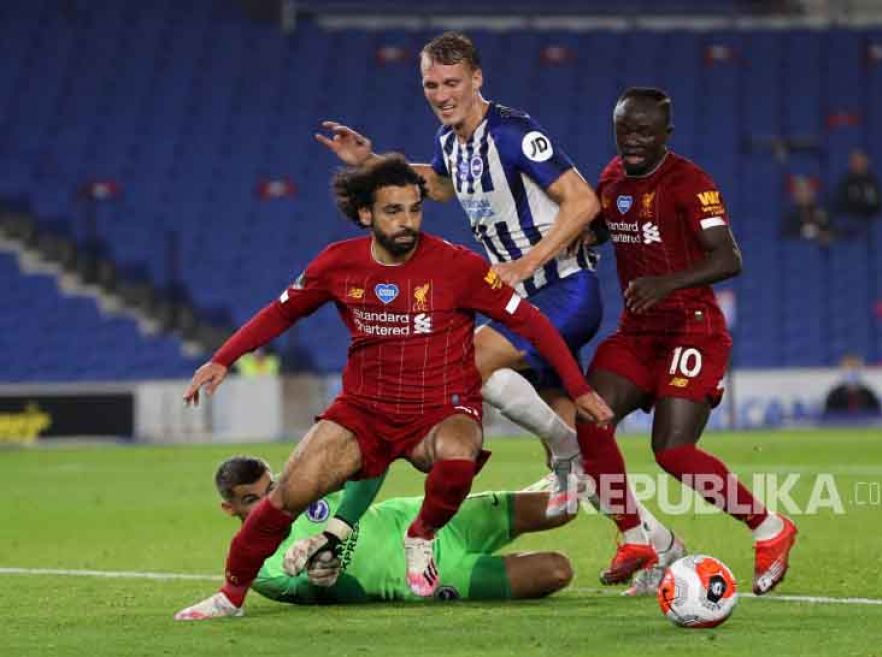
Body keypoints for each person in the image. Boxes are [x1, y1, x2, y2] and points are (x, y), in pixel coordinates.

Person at [174, 155, 612, 620]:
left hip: (441, 405)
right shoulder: (337, 264)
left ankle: (420, 537)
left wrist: (578, 388)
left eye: (414, 209)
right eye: (393, 211)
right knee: (285, 499)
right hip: (364, 411)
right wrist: (224, 358)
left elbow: (531, 322)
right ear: (366, 214)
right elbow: (282, 312)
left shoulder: (458, 266)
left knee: (459, 452)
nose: (407, 222)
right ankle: (230, 595)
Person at [315, 31, 672, 582]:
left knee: (461, 365)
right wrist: (372, 161)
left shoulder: (513, 134)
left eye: (453, 82)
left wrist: (526, 265)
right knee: (576, 430)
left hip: (562, 291)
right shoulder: (452, 142)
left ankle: (543, 465)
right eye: (431, 84)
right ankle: (655, 541)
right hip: (523, 300)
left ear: (477, 79)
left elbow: (583, 201)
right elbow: (437, 187)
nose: (441, 93)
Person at [582, 87, 798, 596]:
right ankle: (636, 537)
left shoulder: (690, 182)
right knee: (590, 419)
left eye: (644, 132)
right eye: (624, 130)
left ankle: (769, 529)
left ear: (666, 135)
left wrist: (666, 282)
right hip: (639, 331)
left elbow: (729, 258)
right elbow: (605, 228)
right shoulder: (612, 177)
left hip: (691, 325)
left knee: (673, 450)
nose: (633, 141)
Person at [211, 455, 578, 604]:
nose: (266, 505)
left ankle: (630, 524)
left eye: (269, 490)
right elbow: (340, 597)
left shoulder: (301, 490)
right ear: (229, 509)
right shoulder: (257, 568)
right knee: (558, 570)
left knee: (567, 505)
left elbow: (367, 468)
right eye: (250, 500)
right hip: (433, 575)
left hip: (429, 519)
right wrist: (321, 576)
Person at [782, 175, 835, 246]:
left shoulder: (822, 213)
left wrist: (825, 234)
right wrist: (807, 232)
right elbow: (788, 235)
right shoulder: (790, 215)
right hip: (798, 252)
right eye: (800, 190)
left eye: (807, 189)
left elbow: (832, 231)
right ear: (794, 195)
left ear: (813, 193)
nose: (804, 194)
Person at [833, 149, 882, 221]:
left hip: (870, 218)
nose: (857, 164)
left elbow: (877, 204)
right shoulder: (845, 182)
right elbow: (840, 204)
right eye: (854, 161)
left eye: (860, 161)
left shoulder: (872, 182)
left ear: (866, 162)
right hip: (850, 219)